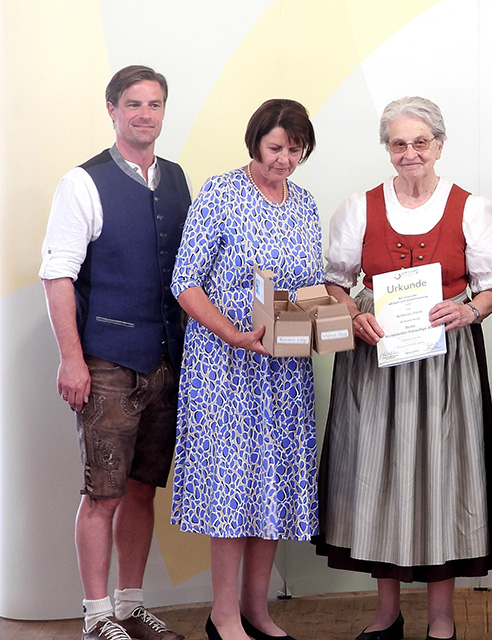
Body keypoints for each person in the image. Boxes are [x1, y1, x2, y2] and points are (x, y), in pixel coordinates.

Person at [312, 96, 492, 640]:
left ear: (439, 145)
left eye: (421, 141)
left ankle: (442, 614)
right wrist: (352, 314)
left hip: (445, 362)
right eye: (399, 143)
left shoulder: (472, 208)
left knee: (444, 478)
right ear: (387, 149)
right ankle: (386, 611)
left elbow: (491, 289)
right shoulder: (360, 206)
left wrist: (466, 309)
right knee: (377, 476)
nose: (410, 152)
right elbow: (336, 278)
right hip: (377, 361)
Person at [39, 65, 190, 640]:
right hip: (105, 359)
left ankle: (129, 605)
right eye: (133, 104)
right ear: (112, 110)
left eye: (154, 104)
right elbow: (58, 275)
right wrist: (71, 359)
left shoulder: (176, 179)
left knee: (141, 488)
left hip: (162, 361)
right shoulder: (83, 182)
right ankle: (96, 615)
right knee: (101, 492)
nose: (144, 114)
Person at [170, 98, 320, 640]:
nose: (285, 159)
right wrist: (232, 333)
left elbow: (311, 287)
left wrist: (328, 318)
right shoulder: (220, 193)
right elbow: (184, 283)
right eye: (276, 147)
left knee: (272, 486)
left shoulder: (304, 203)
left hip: (284, 370)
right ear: (255, 141)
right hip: (224, 365)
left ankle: (257, 610)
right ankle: (224, 615)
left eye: (295, 149)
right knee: (231, 489)